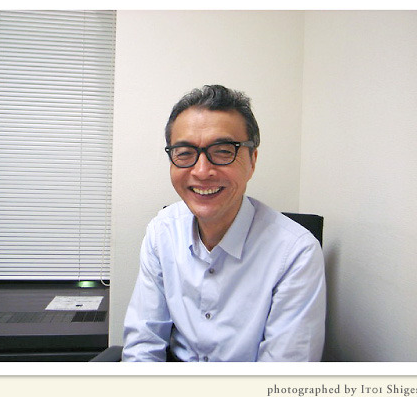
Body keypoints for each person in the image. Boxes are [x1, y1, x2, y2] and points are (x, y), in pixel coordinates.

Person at [122, 85, 326, 362]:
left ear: (252, 161)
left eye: (222, 151)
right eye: (184, 153)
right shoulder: (162, 232)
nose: (202, 171)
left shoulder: (296, 253)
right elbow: (143, 343)